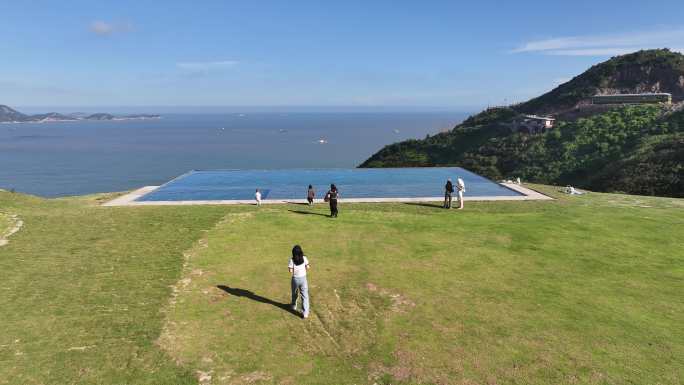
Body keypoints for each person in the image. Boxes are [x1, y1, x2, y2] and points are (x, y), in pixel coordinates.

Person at [288, 245, 310, 318]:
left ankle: (294, 305)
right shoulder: (304, 258)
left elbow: (290, 271)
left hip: (295, 279)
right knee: (305, 295)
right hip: (303, 279)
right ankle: (305, 313)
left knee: (294, 293)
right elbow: (308, 267)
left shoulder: (292, 260)